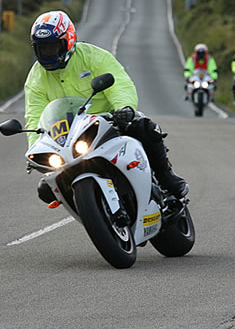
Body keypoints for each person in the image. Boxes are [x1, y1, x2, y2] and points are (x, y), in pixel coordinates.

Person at [24, 11, 189, 203]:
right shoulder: (35, 78)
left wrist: (124, 109)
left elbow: (119, 83)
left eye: (52, 47)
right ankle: (90, 208)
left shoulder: (93, 56)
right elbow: (35, 116)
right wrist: (35, 149)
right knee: (46, 190)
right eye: (42, 48)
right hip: (68, 139)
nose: (48, 53)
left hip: (109, 123)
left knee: (145, 127)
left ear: (67, 41)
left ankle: (166, 176)